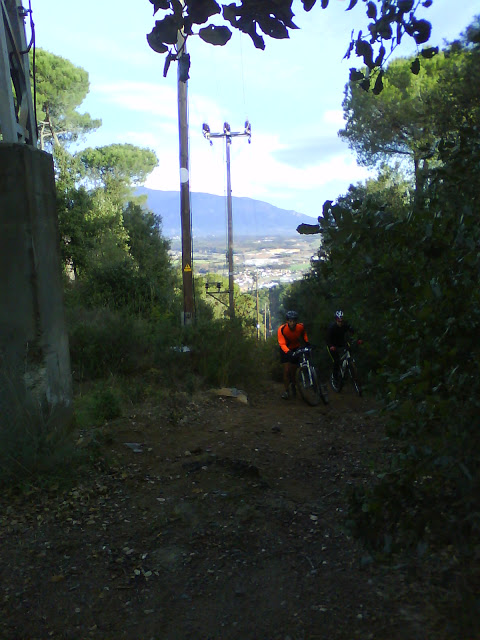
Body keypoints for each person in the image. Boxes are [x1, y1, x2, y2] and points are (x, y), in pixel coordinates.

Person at [277, 310, 310, 399]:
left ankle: (294, 385)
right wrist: (289, 352)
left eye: (294, 321)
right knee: (287, 370)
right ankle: (286, 391)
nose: (292, 323)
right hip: (285, 349)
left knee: (293, 371)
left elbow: (304, 335)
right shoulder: (282, 329)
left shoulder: (300, 327)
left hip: (295, 347)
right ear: (287, 321)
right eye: (290, 321)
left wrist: (307, 343)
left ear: (296, 321)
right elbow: (282, 343)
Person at [326, 310, 355, 383]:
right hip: (332, 345)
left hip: (341, 343)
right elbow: (328, 338)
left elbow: (352, 331)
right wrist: (331, 346)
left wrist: (358, 339)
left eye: (341, 321)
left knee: (349, 349)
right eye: (339, 321)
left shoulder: (345, 326)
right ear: (336, 320)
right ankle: (335, 377)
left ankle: (349, 367)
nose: (340, 323)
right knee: (336, 360)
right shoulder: (332, 328)